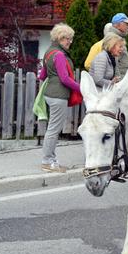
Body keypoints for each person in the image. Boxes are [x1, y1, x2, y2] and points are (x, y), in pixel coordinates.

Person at [38, 23, 80, 173]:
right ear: (59, 38)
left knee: (52, 128)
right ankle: (47, 161)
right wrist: (82, 88)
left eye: (70, 38)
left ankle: (51, 160)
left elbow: (42, 75)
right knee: (54, 129)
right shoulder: (60, 55)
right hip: (58, 96)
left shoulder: (49, 52)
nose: (69, 41)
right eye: (66, 38)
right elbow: (65, 79)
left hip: (50, 95)